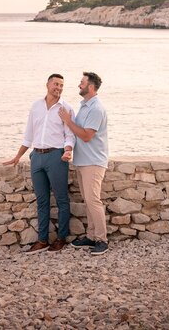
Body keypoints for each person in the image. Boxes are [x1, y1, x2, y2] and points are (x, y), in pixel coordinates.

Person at [4, 73, 75, 254]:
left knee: (61, 199)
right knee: (42, 200)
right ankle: (42, 240)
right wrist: (18, 156)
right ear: (47, 85)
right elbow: (29, 135)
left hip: (56, 157)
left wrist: (68, 150)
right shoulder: (36, 106)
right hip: (37, 157)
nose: (58, 88)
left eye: (61, 85)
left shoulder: (66, 108)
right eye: (56, 84)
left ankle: (60, 239)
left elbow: (70, 134)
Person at [58, 71, 109, 256]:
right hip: (83, 161)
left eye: (82, 82)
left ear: (91, 87)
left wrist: (68, 121)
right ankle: (91, 235)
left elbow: (87, 135)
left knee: (93, 200)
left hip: (93, 162)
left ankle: (102, 240)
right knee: (88, 201)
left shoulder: (96, 108)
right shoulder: (85, 106)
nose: (79, 85)